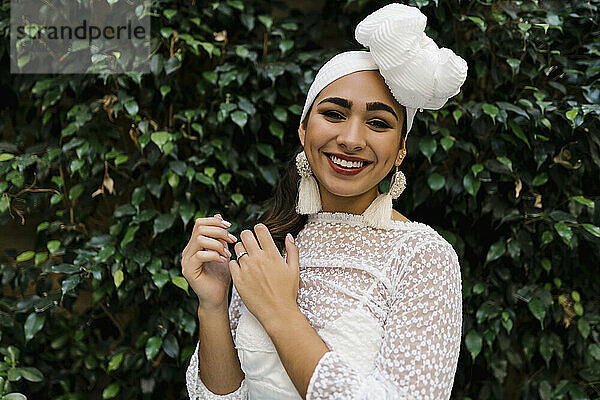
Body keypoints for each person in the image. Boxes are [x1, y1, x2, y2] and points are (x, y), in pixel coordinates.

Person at [181, 3, 468, 399]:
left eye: (378, 122)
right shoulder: (274, 240)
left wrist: (281, 313)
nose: (351, 139)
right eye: (334, 113)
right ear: (303, 129)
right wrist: (213, 305)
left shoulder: (422, 258)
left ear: (400, 151)